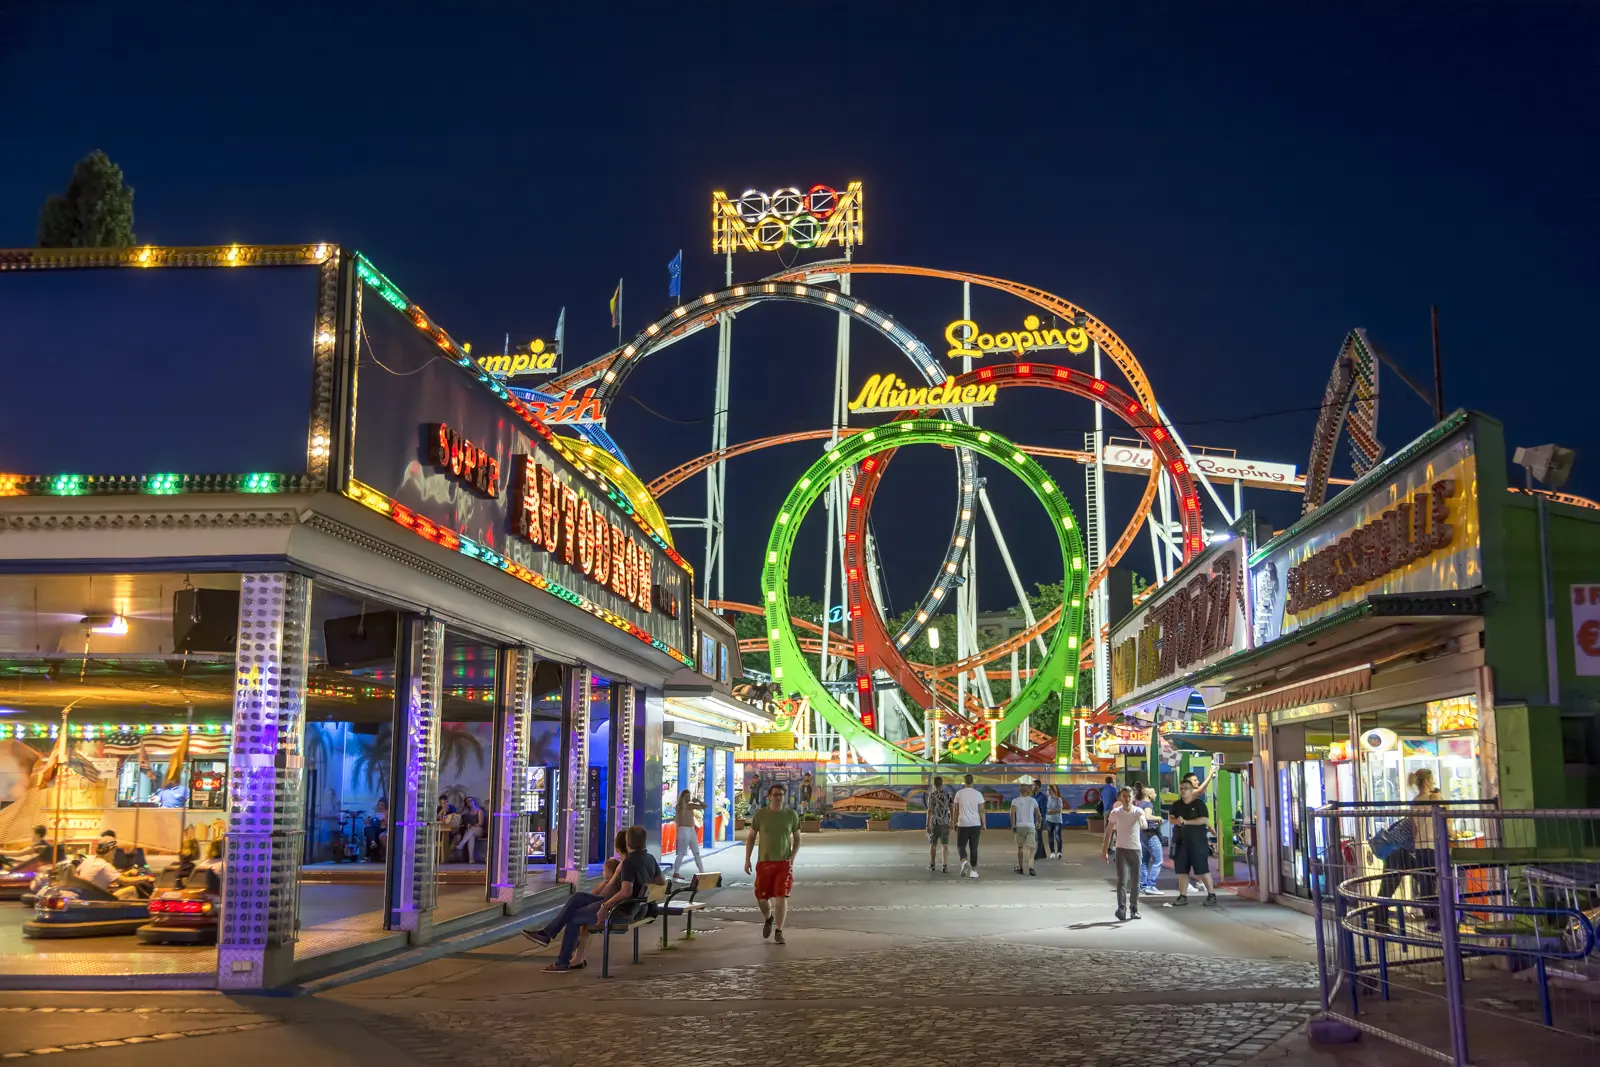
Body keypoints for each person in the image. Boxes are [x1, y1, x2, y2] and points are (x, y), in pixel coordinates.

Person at [547, 825, 665, 972]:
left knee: (574, 917)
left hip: (622, 911)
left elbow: (626, 891)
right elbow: (661, 882)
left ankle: (562, 962)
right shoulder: (650, 858)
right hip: (640, 908)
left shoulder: (629, 862)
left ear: (628, 842)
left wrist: (605, 906)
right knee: (578, 898)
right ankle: (548, 935)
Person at [524, 831, 629, 950]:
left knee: (573, 914)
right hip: (609, 904)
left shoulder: (624, 865)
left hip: (609, 907)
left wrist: (603, 904)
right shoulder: (626, 864)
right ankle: (549, 936)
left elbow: (614, 890)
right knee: (576, 900)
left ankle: (558, 949)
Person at [746, 783, 801, 944]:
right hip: (764, 862)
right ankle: (768, 918)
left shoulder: (791, 815)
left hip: (783, 863)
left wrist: (792, 856)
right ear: (769, 797)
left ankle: (779, 930)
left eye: (781, 795)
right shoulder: (761, 815)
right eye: (775, 794)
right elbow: (750, 837)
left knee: (781, 896)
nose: (778, 797)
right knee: (762, 898)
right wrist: (747, 859)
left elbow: (797, 838)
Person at [1102, 787, 1150, 921]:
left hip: (1135, 850)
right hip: (1121, 850)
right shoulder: (1115, 812)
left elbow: (1144, 823)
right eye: (1124, 796)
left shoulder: (1138, 811)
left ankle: (1134, 909)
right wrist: (1105, 851)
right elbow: (1108, 832)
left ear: (1133, 797)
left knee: (1135, 881)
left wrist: (1142, 822)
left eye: (1129, 796)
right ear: (1120, 798)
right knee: (1122, 881)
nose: (1127, 799)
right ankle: (1121, 908)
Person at [1168, 778, 1218, 906]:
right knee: (1182, 870)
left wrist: (1187, 822)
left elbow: (1204, 820)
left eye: (1186, 788)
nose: (1183, 791)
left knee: (1202, 869)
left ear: (1192, 790)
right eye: (1181, 788)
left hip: (1197, 842)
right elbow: (1171, 819)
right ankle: (1182, 896)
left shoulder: (1199, 804)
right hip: (1180, 842)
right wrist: (1178, 820)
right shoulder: (1177, 805)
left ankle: (1211, 894)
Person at [953, 774, 985, 879]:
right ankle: (973, 871)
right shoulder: (978, 794)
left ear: (964, 782)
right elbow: (982, 811)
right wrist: (984, 824)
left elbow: (956, 810)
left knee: (960, 846)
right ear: (973, 782)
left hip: (963, 824)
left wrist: (954, 822)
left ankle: (964, 861)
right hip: (975, 824)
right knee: (974, 848)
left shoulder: (959, 794)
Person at [671, 788, 706, 878]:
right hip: (685, 830)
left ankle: (702, 872)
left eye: (689, 796)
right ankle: (676, 872)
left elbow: (705, 806)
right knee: (682, 853)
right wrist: (697, 801)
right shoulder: (682, 806)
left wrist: (697, 800)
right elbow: (704, 806)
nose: (689, 797)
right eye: (687, 796)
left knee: (695, 852)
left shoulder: (685, 806)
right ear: (683, 797)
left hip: (689, 829)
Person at [1137, 786, 1164, 895]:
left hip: (1142, 835)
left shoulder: (1139, 804)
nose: (1156, 795)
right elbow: (1147, 816)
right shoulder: (1148, 805)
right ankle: (1151, 885)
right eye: (1154, 793)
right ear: (1149, 795)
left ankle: (1142, 885)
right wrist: (1159, 818)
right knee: (1158, 860)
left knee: (1144, 862)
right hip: (1150, 835)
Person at [1010, 783, 1040, 876]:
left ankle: (1020, 868)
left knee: (1020, 848)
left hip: (1020, 827)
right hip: (1031, 827)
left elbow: (1012, 814)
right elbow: (1038, 813)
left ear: (1019, 790)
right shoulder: (1033, 800)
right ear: (1027, 790)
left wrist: (1013, 825)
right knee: (1031, 848)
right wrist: (1039, 822)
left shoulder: (1015, 801)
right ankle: (1031, 868)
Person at [926, 776, 953, 873]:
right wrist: (952, 820)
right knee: (945, 845)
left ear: (934, 784)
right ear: (942, 784)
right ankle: (944, 866)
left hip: (934, 823)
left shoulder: (931, 796)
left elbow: (929, 810)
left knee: (933, 844)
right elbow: (951, 808)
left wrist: (927, 824)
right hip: (945, 822)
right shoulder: (948, 795)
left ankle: (932, 864)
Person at [454, 796, 487, 861]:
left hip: (479, 830)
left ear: (474, 801)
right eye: (468, 802)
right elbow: (464, 823)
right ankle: (471, 859)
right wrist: (468, 826)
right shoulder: (467, 813)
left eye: (471, 800)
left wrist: (473, 826)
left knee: (472, 830)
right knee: (471, 837)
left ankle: (461, 844)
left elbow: (481, 823)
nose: (470, 802)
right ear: (467, 804)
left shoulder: (479, 811)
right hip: (470, 832)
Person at [1043, 784, 1065, 858]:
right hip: (1049, 820)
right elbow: (1045, 810)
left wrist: (1051, 812)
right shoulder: (1046, 799)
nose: (1048, 791)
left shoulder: (1058, 799)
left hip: (1057, 821)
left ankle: (1059, 852)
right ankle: (1052, 852)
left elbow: (1059, 810)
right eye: (1047, 789)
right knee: (1050, 837)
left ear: (1053, 790)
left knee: (1057, 836)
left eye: (1050, 789)